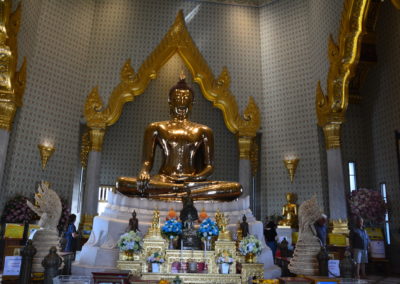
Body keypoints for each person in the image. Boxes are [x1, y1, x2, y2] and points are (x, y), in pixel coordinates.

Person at [116, 76, 242, 201]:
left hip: (193, 181)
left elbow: (209, 166)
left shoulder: (203, 131)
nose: (182, 101)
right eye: (177, 98)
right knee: (121, 183)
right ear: (170, 101)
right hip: (164, 179)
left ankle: (176, 192)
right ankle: (181, 192)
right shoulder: (156, 127)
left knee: (235, 188)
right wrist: (144, 172)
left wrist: (195, 178)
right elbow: (147, 162)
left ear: (192, 102)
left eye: (186, 98)